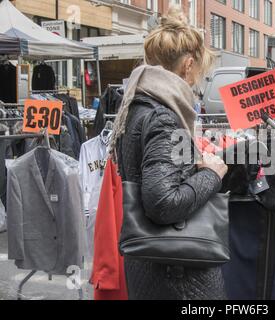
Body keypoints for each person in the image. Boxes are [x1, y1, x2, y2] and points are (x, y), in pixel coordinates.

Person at [109, 14, 228, 300]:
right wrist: (212, 173)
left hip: (149, 266)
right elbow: (163, 203)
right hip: (179, 275)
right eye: (200, 71)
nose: (198, 79)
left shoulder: (136, 106)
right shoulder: (164, 116)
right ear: (188, 65)